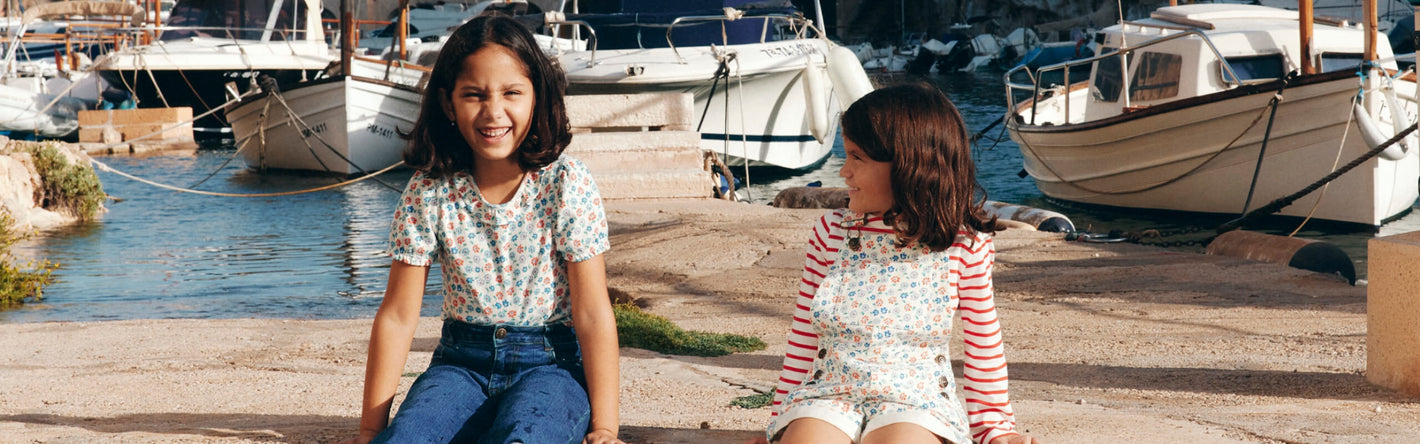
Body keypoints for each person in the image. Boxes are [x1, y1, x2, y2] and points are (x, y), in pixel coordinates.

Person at [336, 15, 622, 444]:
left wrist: (606, 428)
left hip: (551, 369)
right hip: (458, 367)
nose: (493, 112)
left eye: (511, 93)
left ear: (536, 97)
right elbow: (398, 316)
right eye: (474, 95)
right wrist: (370, 431)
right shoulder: (429, 192)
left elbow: (592, 312)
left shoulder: (566, 184)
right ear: (449, 104)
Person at [749, 83, 1042, 444]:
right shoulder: (830, 233)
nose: (844, 172)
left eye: (857, 157)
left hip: (916, 401)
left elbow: (983, 346)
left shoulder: (963, 244)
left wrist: (996, 432)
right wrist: (779, 420)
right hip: (828, 395)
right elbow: (804, 338)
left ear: (908, 165)